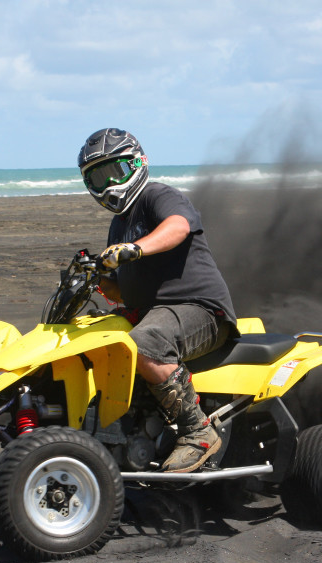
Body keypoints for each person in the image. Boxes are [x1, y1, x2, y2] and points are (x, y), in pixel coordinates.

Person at [78, 128, 237, 473]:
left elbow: (178, 226)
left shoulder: (157, 196)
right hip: (153, 312)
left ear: (138, 163)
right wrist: (99, 281)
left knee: (145, 343)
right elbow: (125, 289)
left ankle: (198, 431)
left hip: (200, 310)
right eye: (97, 177)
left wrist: (135, 248)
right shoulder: (118, 224)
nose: (107, 185)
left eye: (114, 172)